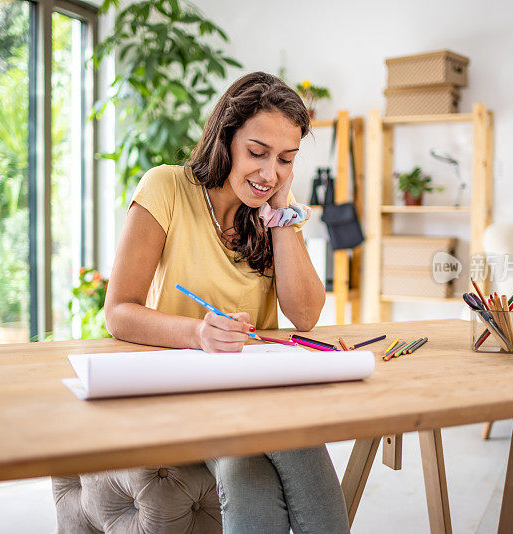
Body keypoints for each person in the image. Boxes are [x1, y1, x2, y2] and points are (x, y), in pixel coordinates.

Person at [104, 71, 350, 533]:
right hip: (184, 389)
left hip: (255, 393)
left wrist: (279, 213)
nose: (268, 173)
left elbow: (306, 314)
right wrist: (198, 333)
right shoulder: (167, 188)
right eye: (256, 153)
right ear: (225, 139)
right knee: (276, 457)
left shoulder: (275, 206)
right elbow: (118, 310)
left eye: (285, 159)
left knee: (255, 471)